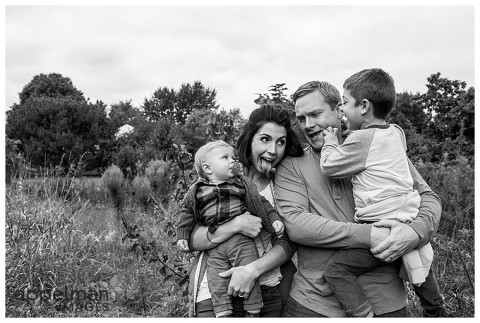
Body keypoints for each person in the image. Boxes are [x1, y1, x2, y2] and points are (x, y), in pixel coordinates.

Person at [274, 80, 442, 317]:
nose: (308, 125)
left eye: (315, 114)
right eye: (301, 119)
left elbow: (428, 197)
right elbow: (297, 225)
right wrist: (371, 235)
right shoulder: (292, 165)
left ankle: (435, 307)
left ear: (338, 109)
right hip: (311, 304)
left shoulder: (378, 146)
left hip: (385, 303)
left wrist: (415, 232)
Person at [319, 68, 444, 317]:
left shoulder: (361, 139)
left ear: (363, 106)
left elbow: (329, 166)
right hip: (408, 218)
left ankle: (363, 313)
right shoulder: (396, 132)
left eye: (344, 103)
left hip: (380, 228)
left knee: (336, 271)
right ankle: (436, 309)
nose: (341, 110)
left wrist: (331, 142)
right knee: (417, 264)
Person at [184, 105, 304, 317]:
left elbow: (288, 240)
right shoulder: (220, 178)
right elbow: (192, 239)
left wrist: (252, 270)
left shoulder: (283, 184)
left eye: (281, 142)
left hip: (264, 288)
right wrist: (235, 225)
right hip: (214, 291)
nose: (273, 150)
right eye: (265, 139)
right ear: (250, 140)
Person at [176, 140, 285, 317]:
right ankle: (222, 311)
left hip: (241, 241)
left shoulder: (242, 185)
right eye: (225, 157)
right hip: (215, 249)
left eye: (233, 157)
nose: (232, 161)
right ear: (208, 168)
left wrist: (274, 220)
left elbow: (262, 204)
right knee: (216, 277)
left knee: (249, 271)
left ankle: (253, 309)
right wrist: (182, 235)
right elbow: (186, 214)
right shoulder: (196, 191)